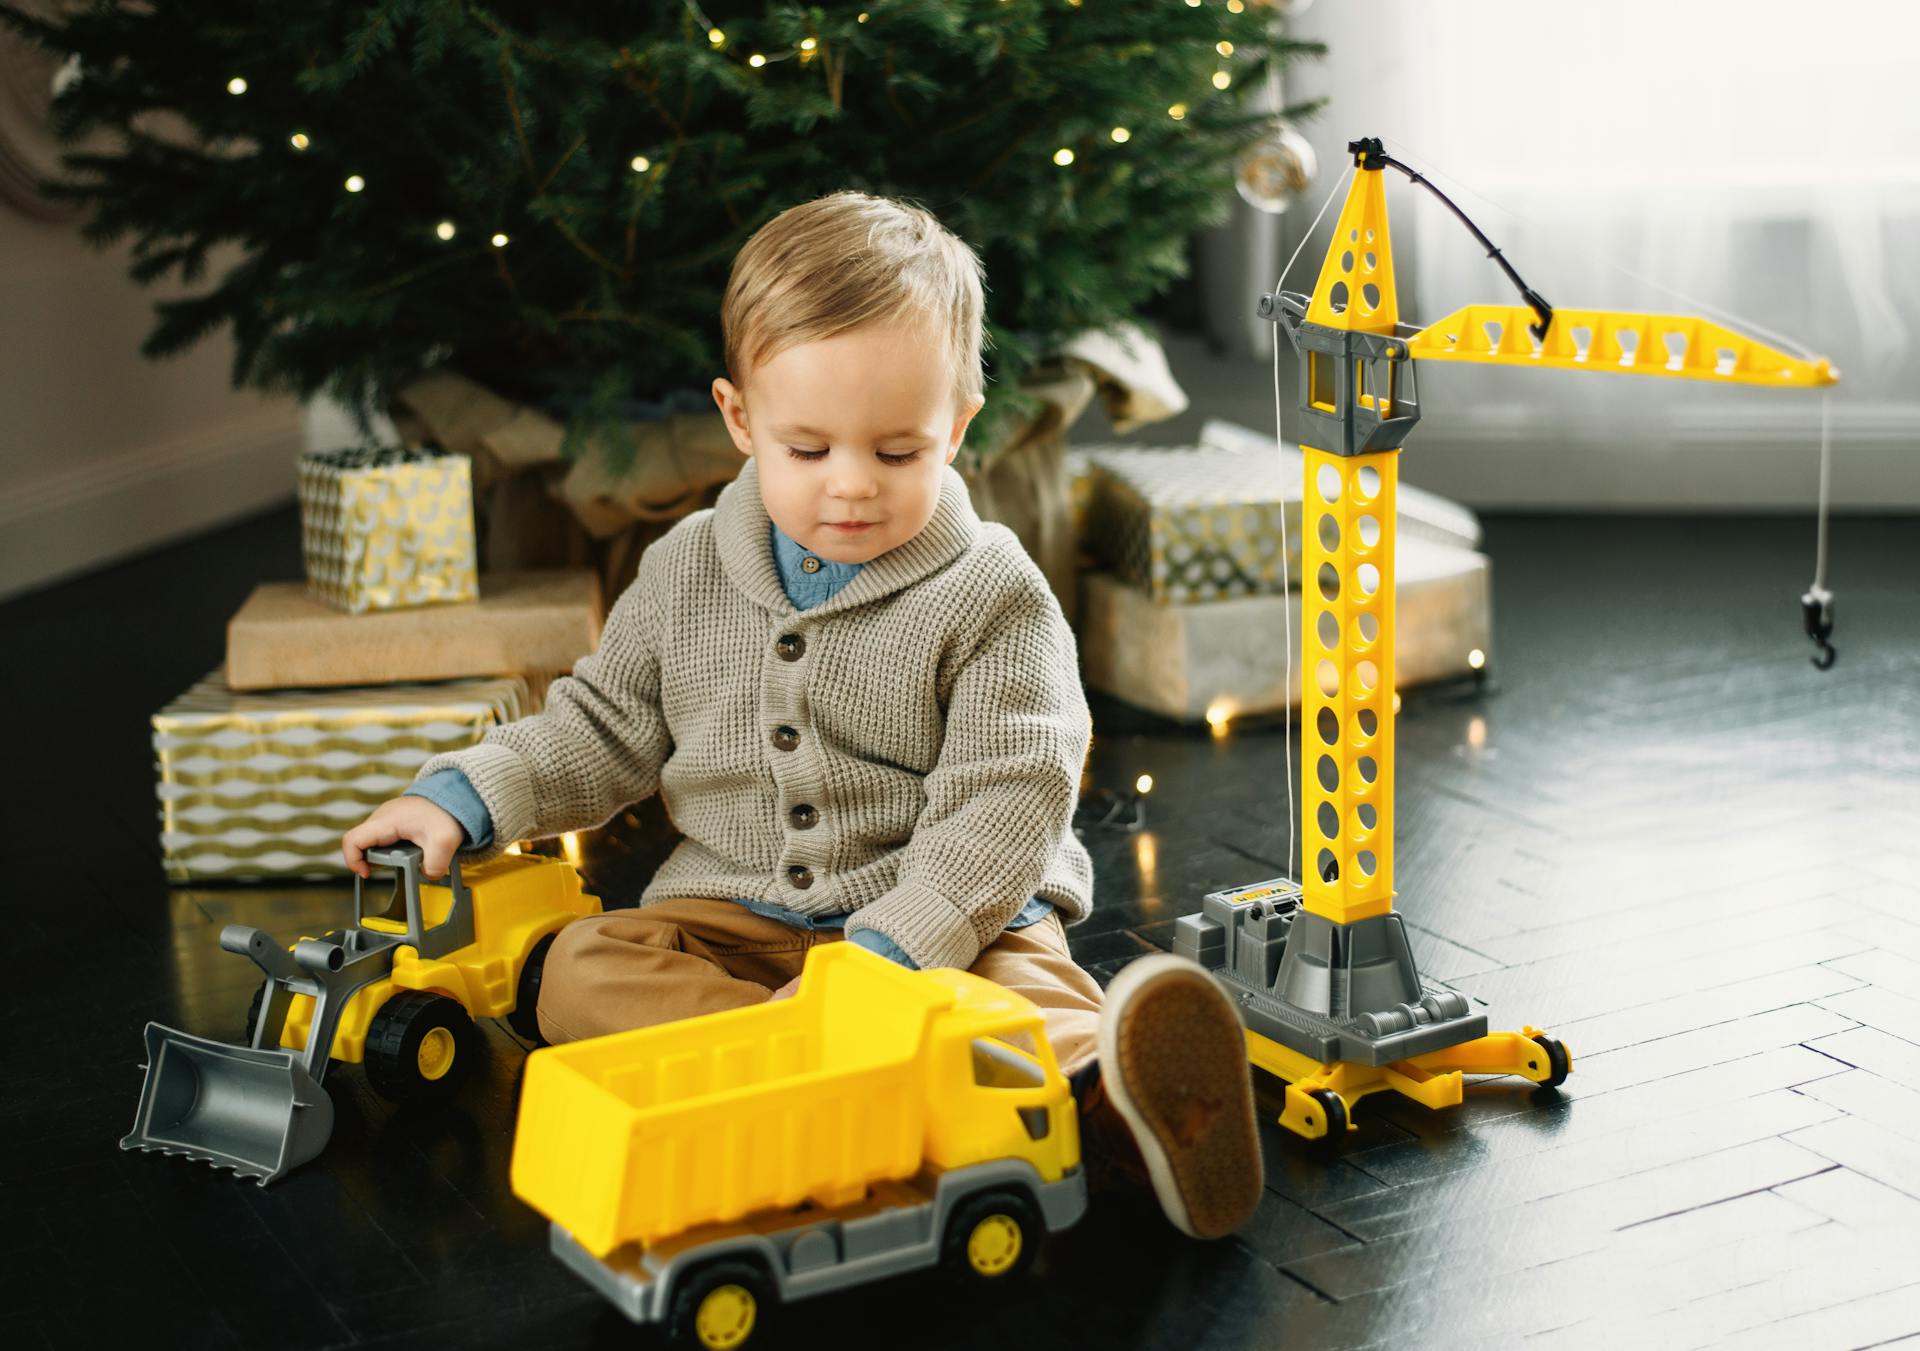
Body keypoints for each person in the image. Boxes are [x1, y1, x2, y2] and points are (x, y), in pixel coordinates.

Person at [342, 191, 1263, 1240]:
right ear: (741, 421)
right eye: (810, 450)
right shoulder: (687, 566)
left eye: (899, 452)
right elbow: (599, 723)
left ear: (958, 425)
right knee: (573, 972)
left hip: (948, 932)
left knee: (1028, 1005)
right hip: (737, 927)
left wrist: (896, 954)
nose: (853, 488)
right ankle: (808, 1064)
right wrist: (465, 797)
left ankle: (1127, 1107)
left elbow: (1005, 805)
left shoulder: (994, 593)